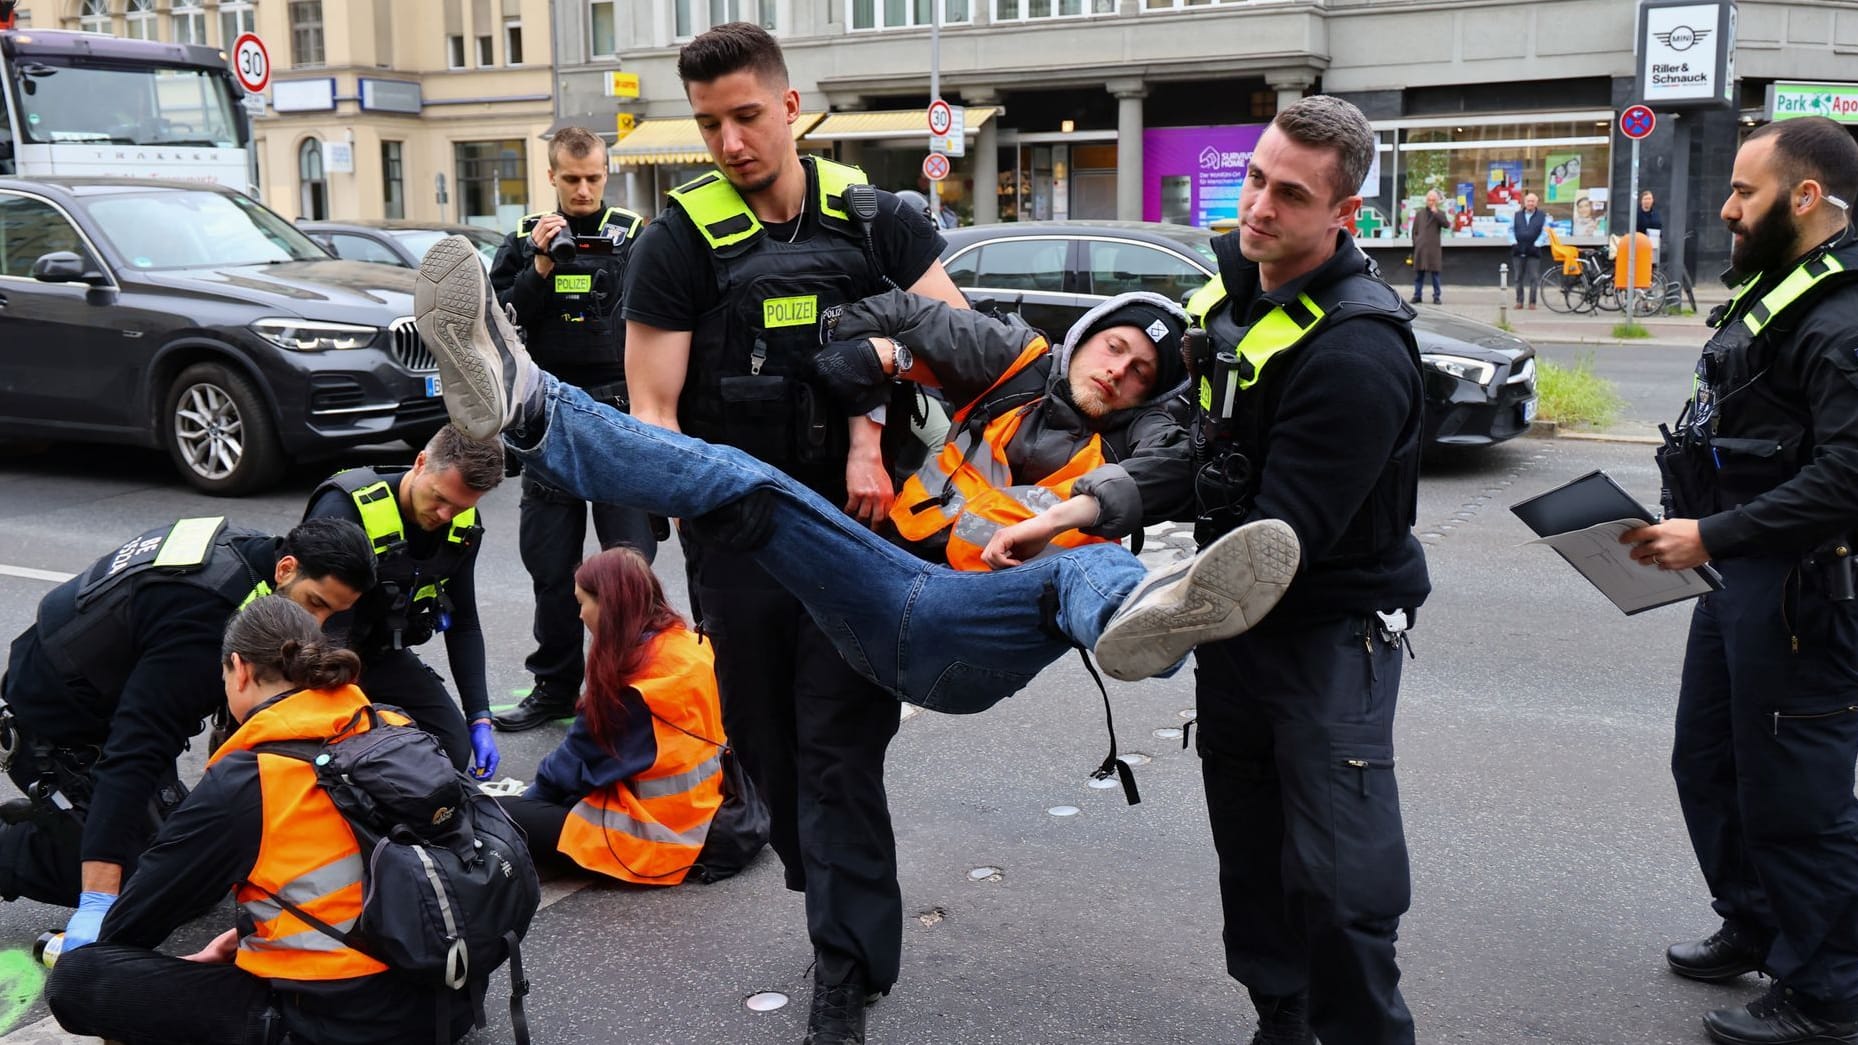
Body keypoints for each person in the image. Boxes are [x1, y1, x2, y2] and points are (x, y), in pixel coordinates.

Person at [411, 230, 1296, 735]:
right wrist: (879, 373)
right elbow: (887, 316)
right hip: (876, 589)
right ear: (1084, 340)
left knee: (1078, 570)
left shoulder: (1147, 433)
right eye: (1114, 349)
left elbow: (1171, 464)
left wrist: (1071, 510)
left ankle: (1144, 628)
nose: (1122, 374)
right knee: (747, 481)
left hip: (976, 633)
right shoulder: (1016, 360)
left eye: (1143, 370)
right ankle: (528, 403)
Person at [619, 22, 973, 1042]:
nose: (729, 142)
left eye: (744, 117)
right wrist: (700, 512)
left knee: (834, 752)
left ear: (789, 107)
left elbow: (950, 344)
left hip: (861, 531)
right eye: (707, 125)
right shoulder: (676, 241)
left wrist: (868, 423)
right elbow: (654, 408)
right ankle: (824, 877)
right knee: (766, 749)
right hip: (739, 536)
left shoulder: (878, 220)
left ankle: (843, 964)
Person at [1180, 95, 1430, 1044]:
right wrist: (1104, 498)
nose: (1259, 208)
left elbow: (1281, 537)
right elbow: (1202, 446)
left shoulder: (1358, 348)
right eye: (1254, 178)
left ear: (1344, 214)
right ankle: (1280, 1015)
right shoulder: (1238, 296)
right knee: (1250, 857)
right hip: (1239, 633)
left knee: (1340, 882)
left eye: (1289, 194)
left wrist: (1152, 598)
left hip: (1328, 634)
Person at [1623, 115, 1858, 1045]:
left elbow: (1846, 478)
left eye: (1744, 193)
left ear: (1805, 198)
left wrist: (1711, 530)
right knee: (1710, 761)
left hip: (1805, 593)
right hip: (1743, 577)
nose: (1724, 209)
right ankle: (1758, 921)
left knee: (1797, 797)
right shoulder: (1785, 290)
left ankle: (1830, 993)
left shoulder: (1842, 321)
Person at [47, 596, 471, 1044]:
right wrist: (249, 934)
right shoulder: (390, 724)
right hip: (449, 1000)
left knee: (82, 977)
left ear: (239, 668)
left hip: (346, 1026)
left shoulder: (250, 777)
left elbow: (132, 923)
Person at [0, 516, 375, 953]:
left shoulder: (256, 560)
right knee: (141, 880)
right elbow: (134, 752)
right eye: (316, 603)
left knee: (192, 867)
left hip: (120, 699)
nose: (319, 624)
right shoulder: (202, 623)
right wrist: (97, 899)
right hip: (57, 729)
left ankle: (66, 819)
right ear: (287, 568)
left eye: (333, 612)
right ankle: (27, 840)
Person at [488, 124, 660, 734]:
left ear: (605, 175)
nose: (583, 189)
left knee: (629, 564)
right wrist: (538, 262)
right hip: (550, 415)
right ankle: (555, 689)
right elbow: (502, 322)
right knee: (550, 566)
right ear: (553, 178)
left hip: (618, 412)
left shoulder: (638, 236)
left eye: (593, 178)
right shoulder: (523, 239)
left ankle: (636, 685)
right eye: (571, 179)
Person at [500, 546, 745, 885]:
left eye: (582, 602)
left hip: (654, 838)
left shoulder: (631, 688)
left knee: (497, 815)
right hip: (708, 810)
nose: (580, 615)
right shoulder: (690, 646)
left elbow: (568, 770)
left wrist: (524, 810)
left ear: (608, 606)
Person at [303, 425, 505, 780]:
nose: (444, 515)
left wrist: (480, 717)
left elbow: (465, 623)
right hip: (318, 655)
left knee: (452, 751)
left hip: (381, 653)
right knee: (332, 759)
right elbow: (319, 626)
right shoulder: (345, 507)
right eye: (440, 498)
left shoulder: (462, 526)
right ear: (420, 462)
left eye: (459, 506)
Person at [1410, 189, 1447, 305]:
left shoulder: (1440, 214)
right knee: (1419, 274)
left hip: (1433, 249)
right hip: (1421, 248)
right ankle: (1417, 295)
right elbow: (1414, 230)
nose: (1430, 202)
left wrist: (1436, 213)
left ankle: (1436, 296)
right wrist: (1416, 242)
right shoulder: (1420, 214)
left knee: (1435, 274)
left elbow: (1446, 225)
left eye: (1433, 200)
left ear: (1436, 201)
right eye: (1429, 199)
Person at [1511, 192, 1547, 309]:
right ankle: (1519, 301)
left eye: (1533, 201)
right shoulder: (1517, 215)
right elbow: (1510, 230)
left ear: (1536, 203)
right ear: (1524, 202)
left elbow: (1545, 231)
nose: (1530, 203)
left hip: (1534, 251)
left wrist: (1538, 244)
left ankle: (1532, 302)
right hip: (1518, 249)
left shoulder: (1542, 216)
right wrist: (1513, 242)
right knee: (1518, 277)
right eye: (1528, 201)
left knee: (1534, 278)